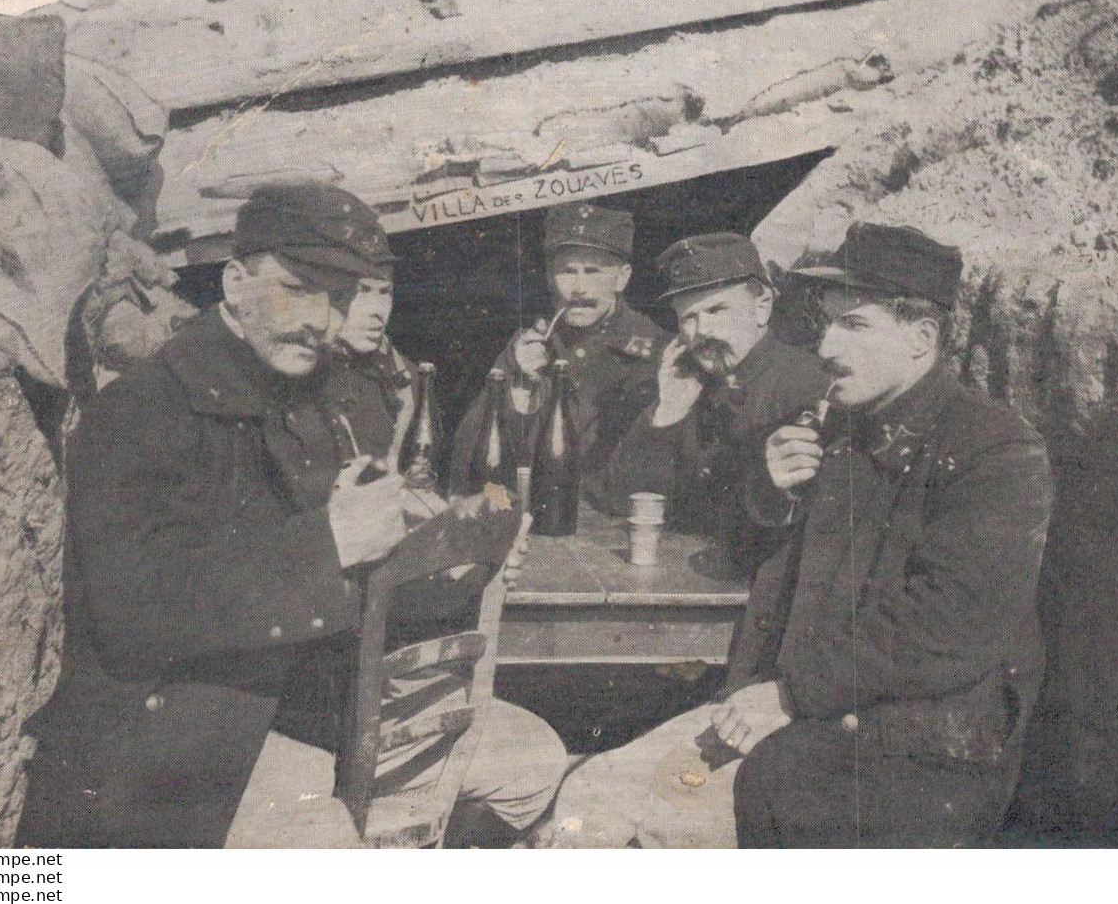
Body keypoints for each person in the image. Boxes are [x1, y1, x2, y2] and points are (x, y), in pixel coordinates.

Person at [15, 183, 557, 848]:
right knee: (324, 844)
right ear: (237, 282)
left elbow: (361, 578)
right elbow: (135, 615)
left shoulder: (330, 394)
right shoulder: (144, 411)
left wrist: (458, 557)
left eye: (336, 298)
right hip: (178, 730)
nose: (317, 320)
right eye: (297, 288)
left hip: (308, 697)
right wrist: (329, 539)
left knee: (531, 764)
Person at [547, 222, 1051, 849]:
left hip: (911, 753)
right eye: (827, 322)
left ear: (922, 339)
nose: (827, 345)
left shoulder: (992, 448)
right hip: (796, 715)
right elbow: (750, 566)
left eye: (854, 325)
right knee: (591, 797)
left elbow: (951, 625)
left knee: (650, 825)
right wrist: (770, 494)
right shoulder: (836, 425)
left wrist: (787, 695)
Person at [602, 232, 830, 574]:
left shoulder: (805, 384)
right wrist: (667, 415)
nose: (701, 331)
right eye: (688, 318)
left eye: (717, 309)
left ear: (762, 305)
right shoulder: (687, 381)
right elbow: (624, 501)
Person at [447, 202, 663, 505]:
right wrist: (514, 382)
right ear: (549, 277)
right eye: (566, 271)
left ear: (622, 277)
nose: (578, 288)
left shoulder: (656, 352)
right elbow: (467, 460)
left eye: (593, 271)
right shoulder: (527, 346)